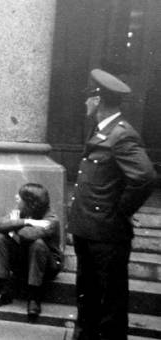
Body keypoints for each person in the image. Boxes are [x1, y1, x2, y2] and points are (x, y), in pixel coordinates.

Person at [69, 69, 156, 340]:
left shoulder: (121, 135)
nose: (85, 103)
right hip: (90, 230)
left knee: (110, 304)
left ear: (97, 100)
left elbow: (145, 177)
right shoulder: (103, 130)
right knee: (89, 295)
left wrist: (119, 211)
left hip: (106, 235)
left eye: (88, 98)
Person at [0, 183, 63, 320]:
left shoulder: (51, 219)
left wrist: (16, 224)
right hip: (25, 262)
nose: (16, 198)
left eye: (20, 197)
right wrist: (26, 221)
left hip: (46, 267)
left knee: (37, 244)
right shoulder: (22, 212)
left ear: (30, 203)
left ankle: (34, 297)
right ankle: (4, 291)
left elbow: (27, 235)